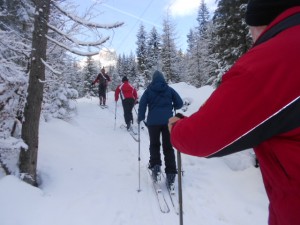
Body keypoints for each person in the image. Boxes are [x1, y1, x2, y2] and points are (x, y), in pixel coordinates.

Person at [168, 1, 300, 225]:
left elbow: (204, 135)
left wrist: (177, 129)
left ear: (262, 24)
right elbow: (178, 99)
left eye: (251, 31)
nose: (253, 40)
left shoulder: (270, 61)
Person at [138, 70, 183, 187]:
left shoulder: (149, 90)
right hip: (168, 122)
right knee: (168, 147)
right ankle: (171, 173)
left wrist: (140, 117)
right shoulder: (169, 89)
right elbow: (180, 104)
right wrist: (173, 105)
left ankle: (155, 166)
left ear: (153, 80)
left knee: (154, 145)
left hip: (153, 123)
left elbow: (142, 104)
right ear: (163, 79)